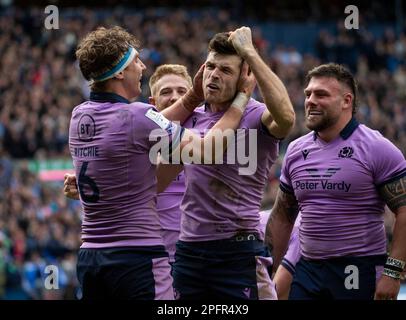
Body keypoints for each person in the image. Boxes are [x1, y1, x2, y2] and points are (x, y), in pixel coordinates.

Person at [68, 26, 255, 300]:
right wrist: (241, 99)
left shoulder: (79, 115)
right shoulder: (138, 115)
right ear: (120, 73)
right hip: (137, 260)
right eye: (135, 62)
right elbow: (208, 149)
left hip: (91, 259)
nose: (142, 66)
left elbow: (134, 134)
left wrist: (192, 96)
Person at [170, 27, 295, 300]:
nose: (214, 74)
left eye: (226, 70)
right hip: (190, 251)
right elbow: (144, 142)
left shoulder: (256, 115)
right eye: (211, 66)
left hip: (238, 251)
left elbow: (286, 117)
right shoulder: (190, 114)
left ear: (244, 78)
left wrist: (250, 52)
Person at [265, 63, 406, 300]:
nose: (310, 100)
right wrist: (268, 271)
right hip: (307, 268)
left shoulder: (376, 147)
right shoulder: (296, 150)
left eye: (321, 94)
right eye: (308, 94)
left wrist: (392, 273)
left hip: (357, 269)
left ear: (346, 101)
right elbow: (283, 214)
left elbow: (404, 210)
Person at [65, 64, 192, 265]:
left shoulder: (208, 130)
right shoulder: (135, 138)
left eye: (182, 92)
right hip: (148, 257)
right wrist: (89, 186)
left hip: (196, 260)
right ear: (153, 102)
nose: (175, 97)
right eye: (166, 92)